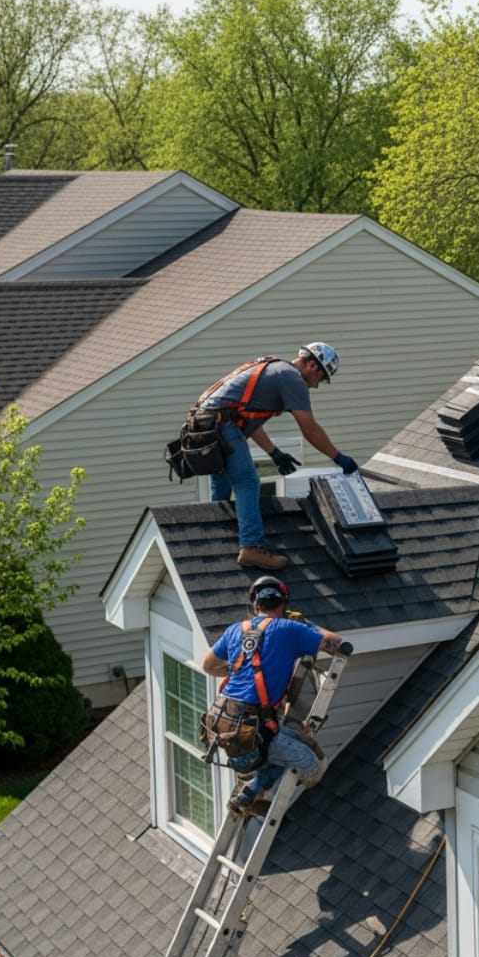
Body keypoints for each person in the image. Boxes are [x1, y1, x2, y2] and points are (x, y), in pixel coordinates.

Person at [193, 342, 356, 570]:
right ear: (312, 365)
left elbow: (248, 420)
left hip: (207, 425)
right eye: (321, 378)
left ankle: (216, 534)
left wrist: (275, 453)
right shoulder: (293, 379)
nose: (317, 386)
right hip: (222, 427)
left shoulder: (274, 368)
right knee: (248, 482)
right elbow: (309, 429)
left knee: (222, 481)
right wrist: (339, 457)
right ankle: (251, 546)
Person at [203, 575, 343, 818]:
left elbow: (208, 666)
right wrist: (306, 624)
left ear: (255, 605)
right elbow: (335, 642)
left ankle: (250, 793)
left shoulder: (236, 630)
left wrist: (237, 667)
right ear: (284, 604)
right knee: (315, 766)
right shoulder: (290, 628)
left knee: (286, 739)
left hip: (222, 725)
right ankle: (254, 789)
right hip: (252, 734)